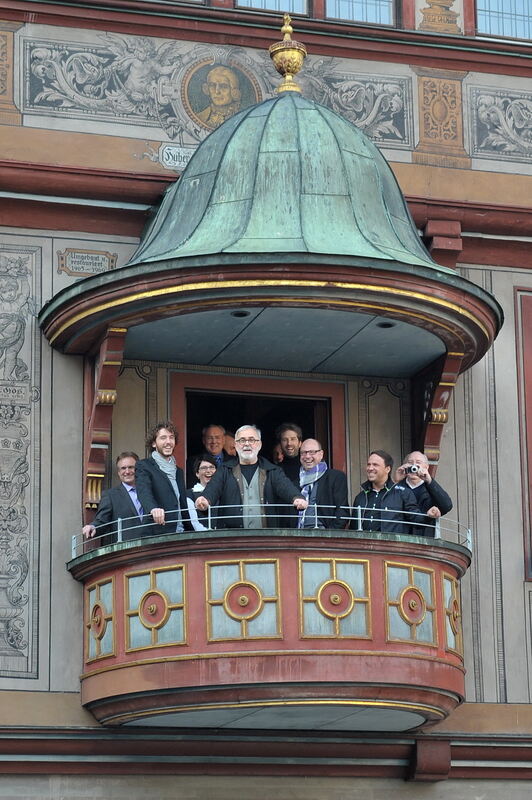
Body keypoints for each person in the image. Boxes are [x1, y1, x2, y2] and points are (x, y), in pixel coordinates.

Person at [195, 424, 307, 529]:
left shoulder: (272, 470)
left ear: (259, 444)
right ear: (236, 444)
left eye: (252, 440)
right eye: (242, 440)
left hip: (265, 538)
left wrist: (297, 498)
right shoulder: (224, 470)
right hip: (231, 538)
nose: (247, 444)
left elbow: (286, 488)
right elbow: (212, 489)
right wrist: (204, 499)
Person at [135, 421, 192, 535]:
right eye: (163, 438)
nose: (168, 442)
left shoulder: (178, 471)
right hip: (158, 533)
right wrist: (153, 509)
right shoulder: (144, 466)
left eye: (171, 437)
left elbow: (182, 503)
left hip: (181, 532)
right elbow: (143, 491)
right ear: (153, 443)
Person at [352, 450, 420, 535]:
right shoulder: (360, 497)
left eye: (375, 465)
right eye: (369, 464)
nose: (370, 468)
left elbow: (417, 520)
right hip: (363, 546)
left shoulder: (403, 494)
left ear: (387, 469)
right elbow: (353, 528)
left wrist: (430, 515)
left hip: (390, 546)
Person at [82, 452, 145, 544]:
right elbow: (102, 520)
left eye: (131, 467)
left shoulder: (149, 491)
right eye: (123, 468)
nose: (127, 471)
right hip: (125, 551)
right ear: (119, 473)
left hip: (151, 548)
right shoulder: (110, 495)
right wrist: (93, 526)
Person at [394, 451, 453, 537]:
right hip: (400, 539)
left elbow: (447, 506)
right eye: (410, 463)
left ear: (426, 467)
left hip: (425, 539)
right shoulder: (398, 487)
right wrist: (396, 482)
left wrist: (429, 481)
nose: (414, 466)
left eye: (418, 463)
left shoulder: (431, 487)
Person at [298, 439, 349, 530]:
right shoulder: (296, 479)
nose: (307, 456)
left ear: (321, 454)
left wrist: (330, 535)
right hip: (297, 533)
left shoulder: (336, 477)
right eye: (303, 453)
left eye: (312, 452)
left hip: (324, 533)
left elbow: (342, 512)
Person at [187, 456, 218, 529]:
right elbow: (194, 523)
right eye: (204, 468)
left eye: (212, 467)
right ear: (197, 473)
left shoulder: (223, 491)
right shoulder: (189, 494)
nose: (208, 471)